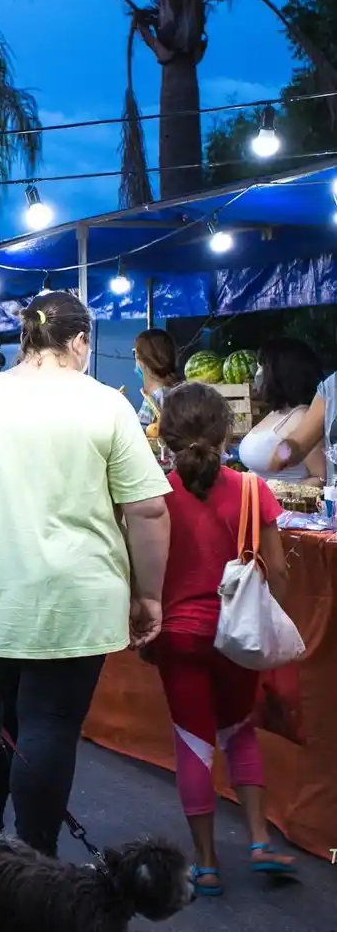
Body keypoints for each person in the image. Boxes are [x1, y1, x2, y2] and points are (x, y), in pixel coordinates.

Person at [0, 291, 171, 860]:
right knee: (50, 724)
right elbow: (147, 509)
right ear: (78, 342)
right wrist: (148, 595)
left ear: (25, 339)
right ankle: (35, 854)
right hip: (78, 594)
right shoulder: (106, 404)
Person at [151, 382, 297, 895]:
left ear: (167, 434)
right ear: (226, 430)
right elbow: (276, 571)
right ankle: (259, 841)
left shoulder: (155, 494)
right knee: (239, 731)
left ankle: (207, 864)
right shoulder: (255, 491)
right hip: (238, 635)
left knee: (193, 743)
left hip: (178, 636)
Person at [238, 337, 324, 484]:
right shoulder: (275, 413)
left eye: (261, 366)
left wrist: (278, 496)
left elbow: (321, 477)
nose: (257, 373)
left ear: (279, 373)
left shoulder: (302, 418)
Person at [133, 327, 182, 432]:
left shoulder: (155, 398)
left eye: (136, 355)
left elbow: (137, 436)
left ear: (143, 362)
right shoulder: (182, 392)